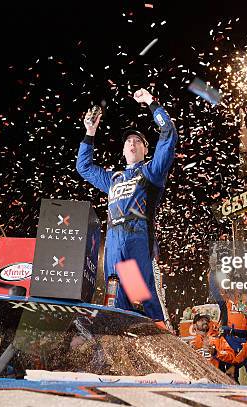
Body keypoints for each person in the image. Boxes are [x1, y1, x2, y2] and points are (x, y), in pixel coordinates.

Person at [76, 89, 177, 328]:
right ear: (122, 151)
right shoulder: (113, 178)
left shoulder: (151, 171)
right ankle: (123, 348)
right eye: (128, 141)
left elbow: (168, 134)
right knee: (117, 305)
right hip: (113, 244)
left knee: (144, 299)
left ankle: (161, 338)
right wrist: (90, 132)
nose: (132, 143)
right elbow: (84, 167)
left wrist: (151, 102)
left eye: (138, 141)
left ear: (145, 150)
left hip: (138, 240)